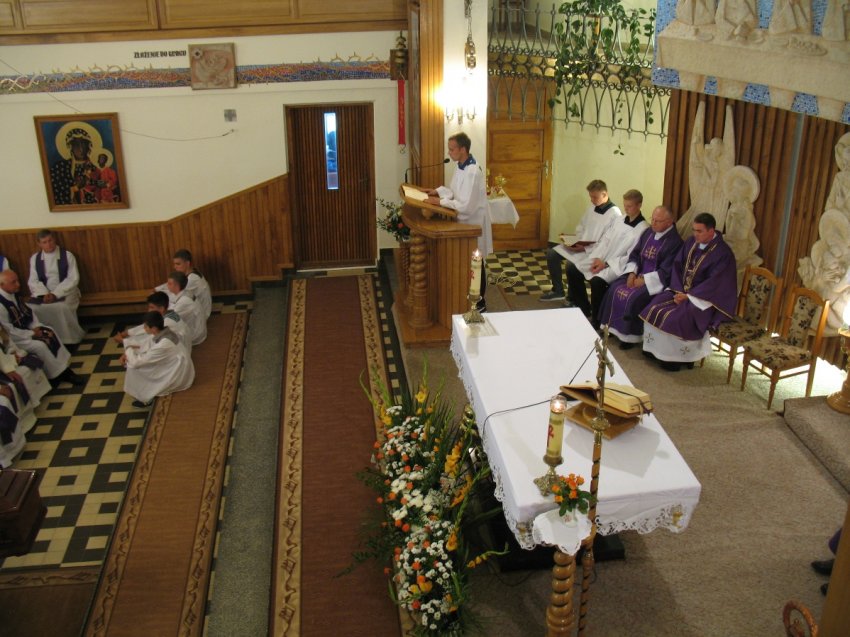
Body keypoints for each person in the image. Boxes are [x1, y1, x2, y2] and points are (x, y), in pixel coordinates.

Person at [640, 212, 738, 371]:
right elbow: (677, 266)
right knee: (653, 306)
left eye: (699, 231)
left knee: (674, 318)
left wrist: (689, 296)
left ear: (711, 231)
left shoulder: (723, 253)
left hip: (704, 300)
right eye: (694, 230)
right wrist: (678, 291)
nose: (695, 234)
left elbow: (716, 283)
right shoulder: (691, 242)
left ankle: (674, 361)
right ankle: (654, 352)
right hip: (680, 290)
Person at [424, 132, 493, 311]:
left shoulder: (472, 171)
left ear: (463, 149)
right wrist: (438, 192)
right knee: (466, 262)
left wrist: (440, 202)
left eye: (452, 149)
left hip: (473, 223)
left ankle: (480, 302)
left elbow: (467, 205)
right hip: (462, 222)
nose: (449, 153)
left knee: (476, 262)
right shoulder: (461, 166)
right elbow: (454, 192)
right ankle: (466, 296)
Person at [599, 205, 684, 349]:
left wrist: (644, 280)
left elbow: (667, 270)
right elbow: (635, 254)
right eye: (653, 219)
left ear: (669, 222)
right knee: (614, 288)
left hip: (655, 281)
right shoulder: (648, 233)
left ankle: (628, 337)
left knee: (634, 298)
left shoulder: (675, 242)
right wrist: (632, 272)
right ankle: (611, 328)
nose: (653, 223)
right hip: (638, 272)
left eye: (658, 221)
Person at [564, 189, 648, 327]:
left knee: (597, 282)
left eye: (630, 206)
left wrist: (606, 263)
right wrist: (597, 258)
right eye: (625, 205)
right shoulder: (620, 220)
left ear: (639, 205)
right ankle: (583, 308)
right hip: (602, 257)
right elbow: (605, 240)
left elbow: (630, 255)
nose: (626, 209)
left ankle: (597, 321)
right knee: (573, 268)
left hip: (617, 265)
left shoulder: (643, 228)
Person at [540, 179, 623, 302]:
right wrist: (574, 241)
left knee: (571, 266)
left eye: (594, 197)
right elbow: (581, 226)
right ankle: (558, 290)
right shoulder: (592, 207)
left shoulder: (614, 214)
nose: (592, 200)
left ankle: (576, 300)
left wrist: (585, 247)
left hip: (595, 253)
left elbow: (607, 242)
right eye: (590, 197)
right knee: (552, 254)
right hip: (581, 245)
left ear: (604, 194)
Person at [0, 270, 83, 386]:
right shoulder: (1, 305)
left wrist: (36, 326)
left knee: (48, 331)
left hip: (26, 331)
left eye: (17, 280)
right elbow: (7, 331)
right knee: (40, 346)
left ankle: (65, 369)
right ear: (1, 285)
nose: (18, 284)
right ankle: (56, 376)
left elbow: (27, 312)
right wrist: (31, 333)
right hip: (15, 339)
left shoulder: (14, 294)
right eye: (13, 282)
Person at [121, 311, 195, 409]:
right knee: (136, 359)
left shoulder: (164, 343)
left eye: (146, 327)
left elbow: (136, 363)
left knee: (132, 367)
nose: (144, 329)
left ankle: (145, 395)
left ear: (154, 328)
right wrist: (130, 350)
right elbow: (147, 346)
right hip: (173, 364)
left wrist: (128, 350)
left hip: (178, 373)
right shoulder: (165, 331)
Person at [27, 229, 86, 344]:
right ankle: (46, 337)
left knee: (62, 307)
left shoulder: (67, 255)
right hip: (43, 293)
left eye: (50, 240)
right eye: (44, 242)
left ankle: (69, 339)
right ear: (39, 244)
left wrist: (55, 294)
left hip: (65, 291)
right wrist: (44, 294)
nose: (48, 244)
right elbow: (33, 280)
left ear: (55, 239)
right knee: (33, 307)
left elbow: (73, 278)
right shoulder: (35, 259)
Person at [114, 291, 192, 355]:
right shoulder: (169, 313)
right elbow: (145, 327)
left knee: (135, 354)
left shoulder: (167, 322)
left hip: (175, 353)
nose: (149, 310)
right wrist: (126, 333)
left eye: (151, 307)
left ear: (161, 308)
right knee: (136, 342)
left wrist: (124, 341)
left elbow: (148, 340)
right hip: (176, 348)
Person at [155, 249, 212, 320]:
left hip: (201, 314)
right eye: (174, 264)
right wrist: (157, 289)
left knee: (167, 305)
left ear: (187, 263)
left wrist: (158, 294)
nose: (175, 267)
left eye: (178, 264)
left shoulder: (193, 278)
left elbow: (176, 294)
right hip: (194, 311)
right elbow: (170, 284)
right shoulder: (187, 275)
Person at [49, 127, 99, 206]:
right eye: (76, 145)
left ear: (88, 146)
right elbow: (53, 191)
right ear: (70, 147)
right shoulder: (60, 167)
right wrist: (76, 188)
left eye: (84, 144)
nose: (81, 149)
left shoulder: (94, 168)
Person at [166, 271, 206, 346]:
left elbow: (170, 319)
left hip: (196, 334)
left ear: (177, 286)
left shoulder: (184, 301)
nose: (167, 285)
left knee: (163, 334)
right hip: (197, 328)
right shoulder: (186, 292)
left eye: (169, 283)